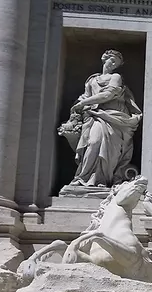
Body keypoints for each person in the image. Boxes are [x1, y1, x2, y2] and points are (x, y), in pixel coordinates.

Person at [59, 49, 142, 188]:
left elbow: (107, 95)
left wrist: (84, 103)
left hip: (113, 118)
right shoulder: (92, 80)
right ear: (104, 59)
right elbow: (85, 96)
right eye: (112, 60)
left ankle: (101, 180)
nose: (114, 65)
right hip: (94, 116)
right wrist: (79, 105)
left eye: (117, 63)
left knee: (105, 147)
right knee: (93, 142)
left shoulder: (116, 77)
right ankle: (84, 178)